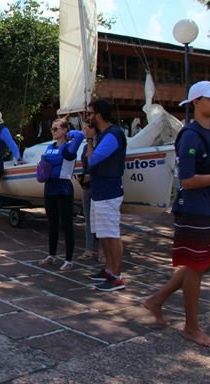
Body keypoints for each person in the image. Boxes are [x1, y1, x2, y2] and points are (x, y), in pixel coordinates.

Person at [143, 82, 210, 348]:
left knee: (206, 264)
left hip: (206, 207)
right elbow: (187, 179)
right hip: (193, 208)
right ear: (196, 102)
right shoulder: (191, 135)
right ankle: (191, 327)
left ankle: (156, 300)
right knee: (196, 267)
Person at [83, 99, 127, 292]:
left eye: (90, 113)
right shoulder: (104, 135)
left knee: (111, 234)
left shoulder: (112, 135)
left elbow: (93, 160)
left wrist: (90, 140)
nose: (88, 117)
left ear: (99, 115)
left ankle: (116, 276)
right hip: (100, 191)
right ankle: (109, 269)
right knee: (103, 233)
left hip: (109, 191)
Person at [38, 118, 85, 271]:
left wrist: (69, 131)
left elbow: (80, 136)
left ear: (64, 130)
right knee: (52, 223)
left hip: (63, 188)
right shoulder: (50, 147)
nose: (53, 131)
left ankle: (69, 259)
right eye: (52, 129)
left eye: (57, 128)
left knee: (66, 224)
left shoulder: (68, 148)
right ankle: (51, 254)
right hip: (49, 187)